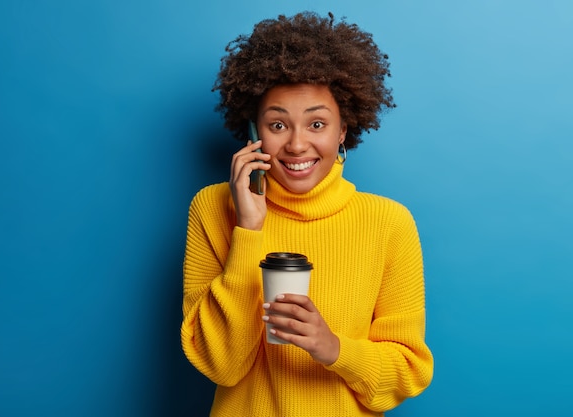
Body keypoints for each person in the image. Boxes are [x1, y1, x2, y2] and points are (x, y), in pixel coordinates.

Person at [181, 11, 433, 416]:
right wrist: (249, 229)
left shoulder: (389, 222)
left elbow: (408, 371)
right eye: (278, 125)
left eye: (316, 123)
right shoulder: (213, 209)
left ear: (342, 130)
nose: (297, 145)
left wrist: (333, 349)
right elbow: (220, 366)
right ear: (253, 131)